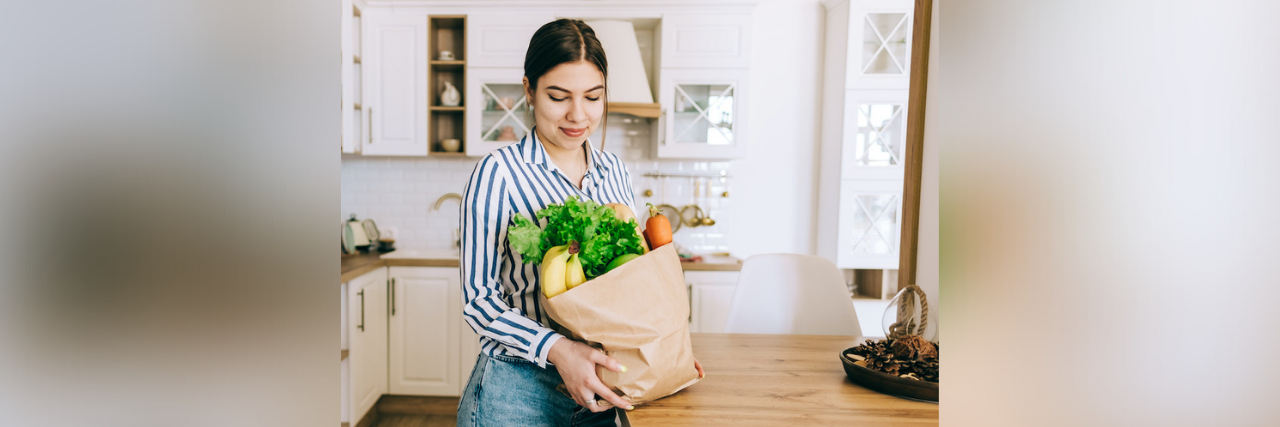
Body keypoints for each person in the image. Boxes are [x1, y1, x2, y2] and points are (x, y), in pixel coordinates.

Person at [456, 19, 703, 427]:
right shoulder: (498, 173)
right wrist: (559, 349)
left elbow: (634, 277)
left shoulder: (615, 171)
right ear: (529, 90)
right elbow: (479, 301)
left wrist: (663, 346)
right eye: (558, 96)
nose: (578, 115)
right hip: (518, 394)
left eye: (593, 97)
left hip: (604, 391)